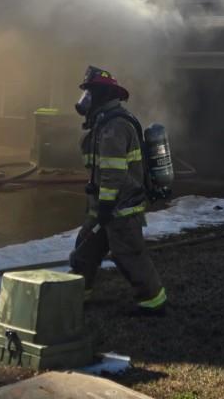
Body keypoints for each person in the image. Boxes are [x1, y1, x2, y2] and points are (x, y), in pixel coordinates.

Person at [68, 65, 167, 315]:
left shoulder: (115, 127)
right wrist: (100, 207)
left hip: (120, 208)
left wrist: (106, 205)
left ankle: (153, 303)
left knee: (129, 256)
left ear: (101, 95)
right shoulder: (103, 124)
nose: (84, 101)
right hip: (102, 207)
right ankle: (77, 296)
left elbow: (113, 172)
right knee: (84, 251)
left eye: (89, 94)